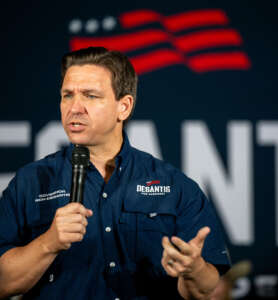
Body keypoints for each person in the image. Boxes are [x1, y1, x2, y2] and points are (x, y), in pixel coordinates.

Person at [0, 47, 230, 300]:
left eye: (90, 96)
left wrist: (194, 269)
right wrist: (48, 243)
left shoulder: (174, 186)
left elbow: (205, 288)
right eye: (67, 95)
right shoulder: (29, 183)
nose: (74, 108)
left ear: (124, 107)